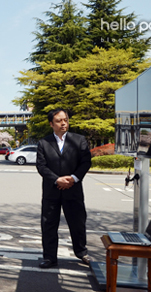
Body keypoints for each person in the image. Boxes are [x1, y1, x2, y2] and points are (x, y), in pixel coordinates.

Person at [36, 108, 92, 269]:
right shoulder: (44, 143)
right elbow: (41, 166)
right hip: (51, 191)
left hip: (73, 189)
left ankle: (82, 252)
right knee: (49, 225)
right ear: (51, 124)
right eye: (59, 121)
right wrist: (56, 179)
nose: (63, 123)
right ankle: (49, 257)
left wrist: (73, 178)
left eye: (65, 120)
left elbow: (86, 162)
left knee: (78, 223)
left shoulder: (79, 140)